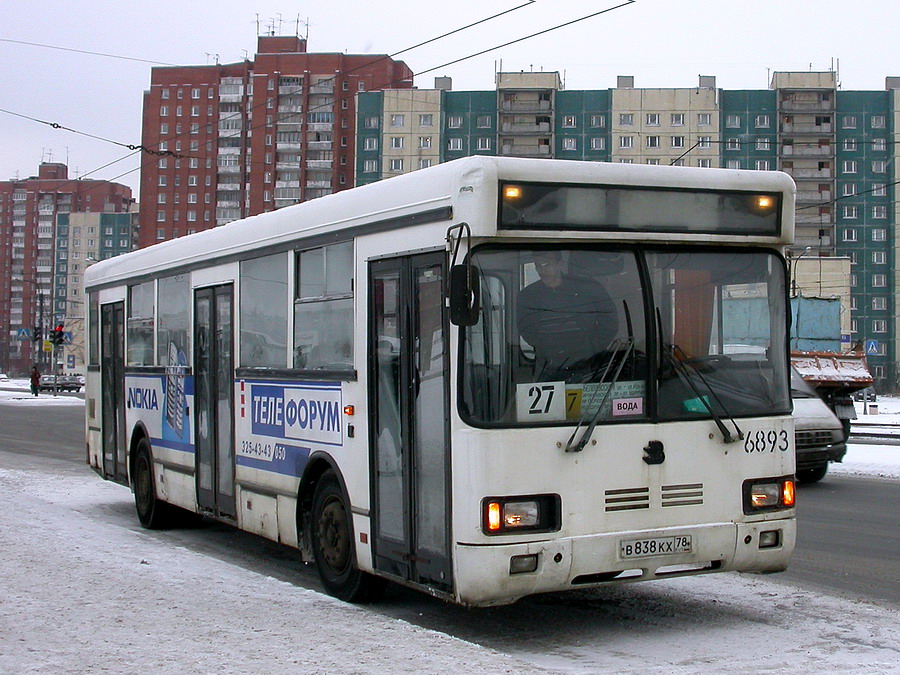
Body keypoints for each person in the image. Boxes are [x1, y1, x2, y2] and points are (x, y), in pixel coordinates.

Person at [517, 250, 619, 382]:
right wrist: (544, 347)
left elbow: (609, 321)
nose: (542, 270)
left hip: (588, 364)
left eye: (546, 264)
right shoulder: (527, 296)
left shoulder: (588, 288)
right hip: (548, 365)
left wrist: (592, 348)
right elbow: (525, 328)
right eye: (538, 266)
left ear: (560, 264)